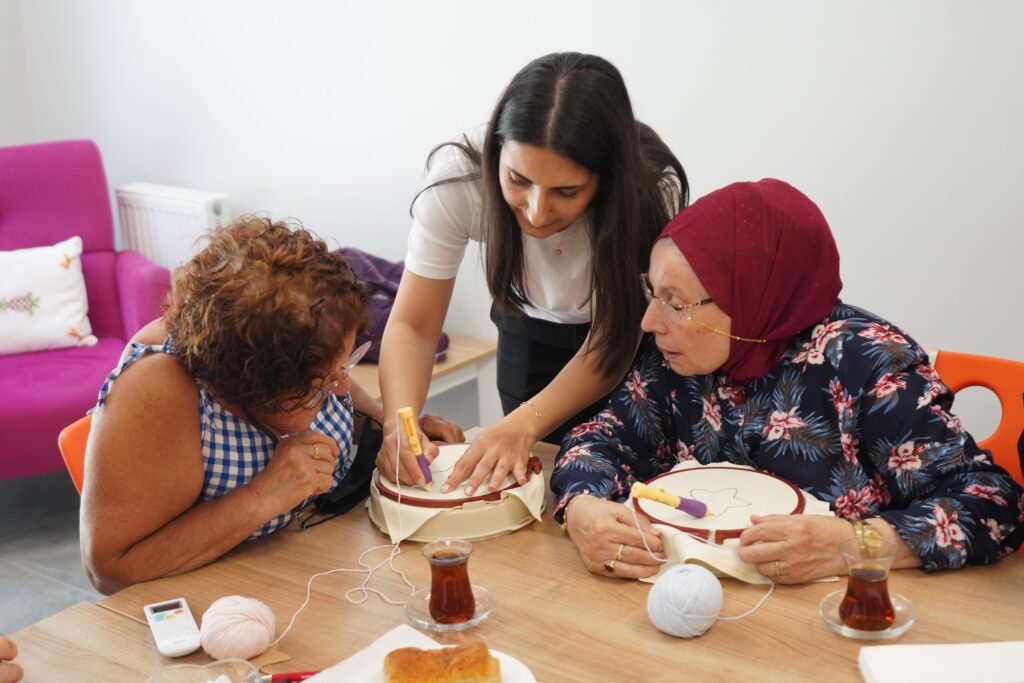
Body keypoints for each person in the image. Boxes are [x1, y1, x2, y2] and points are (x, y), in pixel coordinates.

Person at [553, 179, 1024, 583]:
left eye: (675, 302)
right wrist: (582, 511)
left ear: (750, 296)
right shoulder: (675, 359)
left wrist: (852, 543)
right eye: (652, 292)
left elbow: (992, 502)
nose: (649, 321)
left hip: (835, 619)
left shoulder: (867, 364)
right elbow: (596, 441)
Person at [80, 217, 460, 594]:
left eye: (344, 366)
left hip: (317, 561)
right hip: (227, 595)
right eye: (320, 387)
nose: (343, 387)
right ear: (249, 389)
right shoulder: (156, 391)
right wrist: (260, 499)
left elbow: (330, 376)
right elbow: (110, 568)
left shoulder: (304, 336)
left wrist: (390, 429)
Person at [378, 52, 688, 496]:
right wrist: (398, 426)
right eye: (518, 180)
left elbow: (614, 338)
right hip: (529, 329)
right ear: (496, 153)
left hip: (623, 342)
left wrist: (524, 422)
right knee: (537, 482)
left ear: (607, 180)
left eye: (567, 191)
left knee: (627, 484)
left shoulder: (649, 190)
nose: (538, 212)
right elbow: (414, 323)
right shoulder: (459, 181)